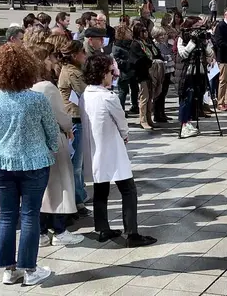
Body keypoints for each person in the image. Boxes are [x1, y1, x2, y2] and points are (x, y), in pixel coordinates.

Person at [0, 44, 58, 286]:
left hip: (1, 163)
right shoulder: (37, 100)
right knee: (29, 215)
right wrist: (52, 148)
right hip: (34, 163)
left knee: (6, 216)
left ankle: (8, 269)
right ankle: (29, 268)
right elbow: (51, 131)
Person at [80, 54, 157, 247]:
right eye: (109, 72)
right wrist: (124, 134)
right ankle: (131, 232)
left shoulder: (85, 94)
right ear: (102, 74)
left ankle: (102, 227)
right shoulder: (108, 97)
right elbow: (121, 121)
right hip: (111, 147)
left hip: (95, 148)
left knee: (101, 188)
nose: (111, 75)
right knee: (128, 190)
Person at [29, 44, 84, 247]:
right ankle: (59, 230)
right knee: (59, 186)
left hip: (35, 142)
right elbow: (61, 115)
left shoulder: (26, 86)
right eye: (51, 58)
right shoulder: (46, 87)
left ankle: (42, 232)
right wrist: (68, 126)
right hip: (54, 139)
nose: (54, 62)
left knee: (43, 189)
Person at [56, 40, 90, 216]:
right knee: (75, 163)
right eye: (83, 52)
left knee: (78, 161)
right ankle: (77, 200)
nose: (85, 55)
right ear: (75, 55)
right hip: (74, 119)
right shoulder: (73, 72)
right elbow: (85, 92)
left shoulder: (75, 70)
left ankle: (79, 195)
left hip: (77, 118)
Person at [173, 16, 213, 138]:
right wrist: (192, 42)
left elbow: (210, 53)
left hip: (198, 72)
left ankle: (189, 121)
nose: (199, 30)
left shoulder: (201, 37)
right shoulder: (182, 37)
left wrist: (205, 43)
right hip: (186, 72)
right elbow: (183, 53)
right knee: (186, 98)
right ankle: (184, 124)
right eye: (197, 27)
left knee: (194, 98)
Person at [112, 25, 139, 115]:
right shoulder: (117, 45)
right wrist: (127, 63)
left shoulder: (131, 44)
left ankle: (135, 106)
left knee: (135, 89)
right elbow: (116, 60)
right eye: (128, 32)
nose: (130, 34)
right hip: (123, 72)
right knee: (123, 91)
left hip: (133, 71)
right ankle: (121, 110)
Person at [151, 26, 175, 123]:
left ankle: (162, 112)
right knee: (159, 93)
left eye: (164, 35)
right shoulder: (155, 44)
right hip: (160, 71)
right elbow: (161, 56)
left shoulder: (164, 44)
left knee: (164, 93)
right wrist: (169, 57)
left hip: (168, 70)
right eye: (161, 35)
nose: (163, 37)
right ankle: (157, 114)